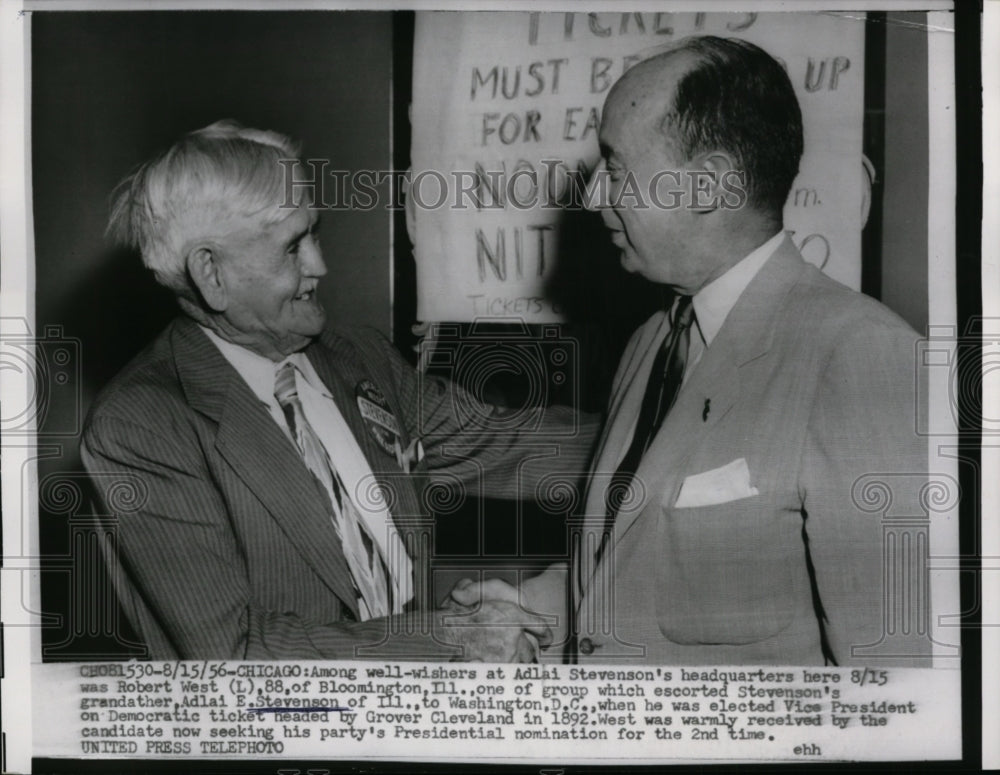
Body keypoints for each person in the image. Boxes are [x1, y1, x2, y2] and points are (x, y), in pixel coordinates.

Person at [453, 36, 931, 666]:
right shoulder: (654, 337)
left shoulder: (863, 357)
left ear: (706, 186)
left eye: (617, 170)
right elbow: (664, 565)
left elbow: (895, 682)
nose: (595, 196)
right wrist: (540, 608)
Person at [81, 120, 595, 661]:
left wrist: (665, 433)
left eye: (315, 233)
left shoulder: (356, 358)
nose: (320, 266)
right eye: (292, 248)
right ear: (211, 272)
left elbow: (503, 443)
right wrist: (448, 636)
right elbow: (235, 654)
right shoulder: (141, 426)